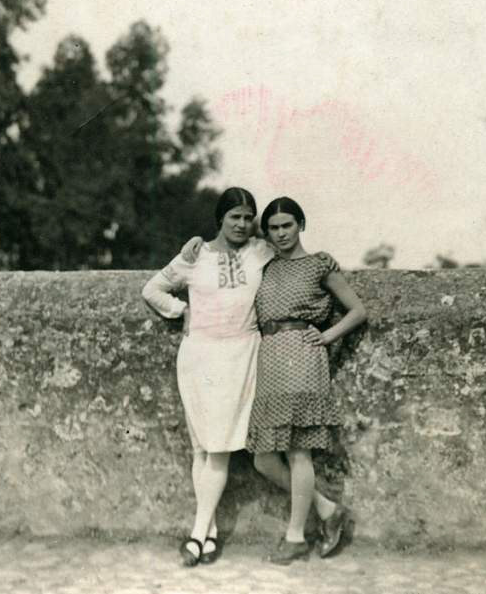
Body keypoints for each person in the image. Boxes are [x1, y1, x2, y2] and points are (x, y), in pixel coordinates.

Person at [142, 187, 275, 567]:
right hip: (200, 354)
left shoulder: (260, 251)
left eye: (249, 217)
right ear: (221, 219)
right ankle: (210, 533)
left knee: (217, 447)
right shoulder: (194, 255)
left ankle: (197, 534)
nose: (242, 223)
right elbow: (152, 289)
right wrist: (180, 310)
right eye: (235, 216)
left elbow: (291, 246)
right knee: (202, 446)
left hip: (241, 353)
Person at [247, 196, 367, 564]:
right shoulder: (263, 266)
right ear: (265, 232)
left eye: (288, 225)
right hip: (268, 358)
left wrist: (329, 336)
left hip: (303, 356)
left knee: (298, 450)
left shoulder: (319, 264)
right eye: (274, 227)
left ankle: (296, 536)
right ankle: (329, 510)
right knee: (263, 459)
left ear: (301, 224)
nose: (282, 233)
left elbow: (358, 310)